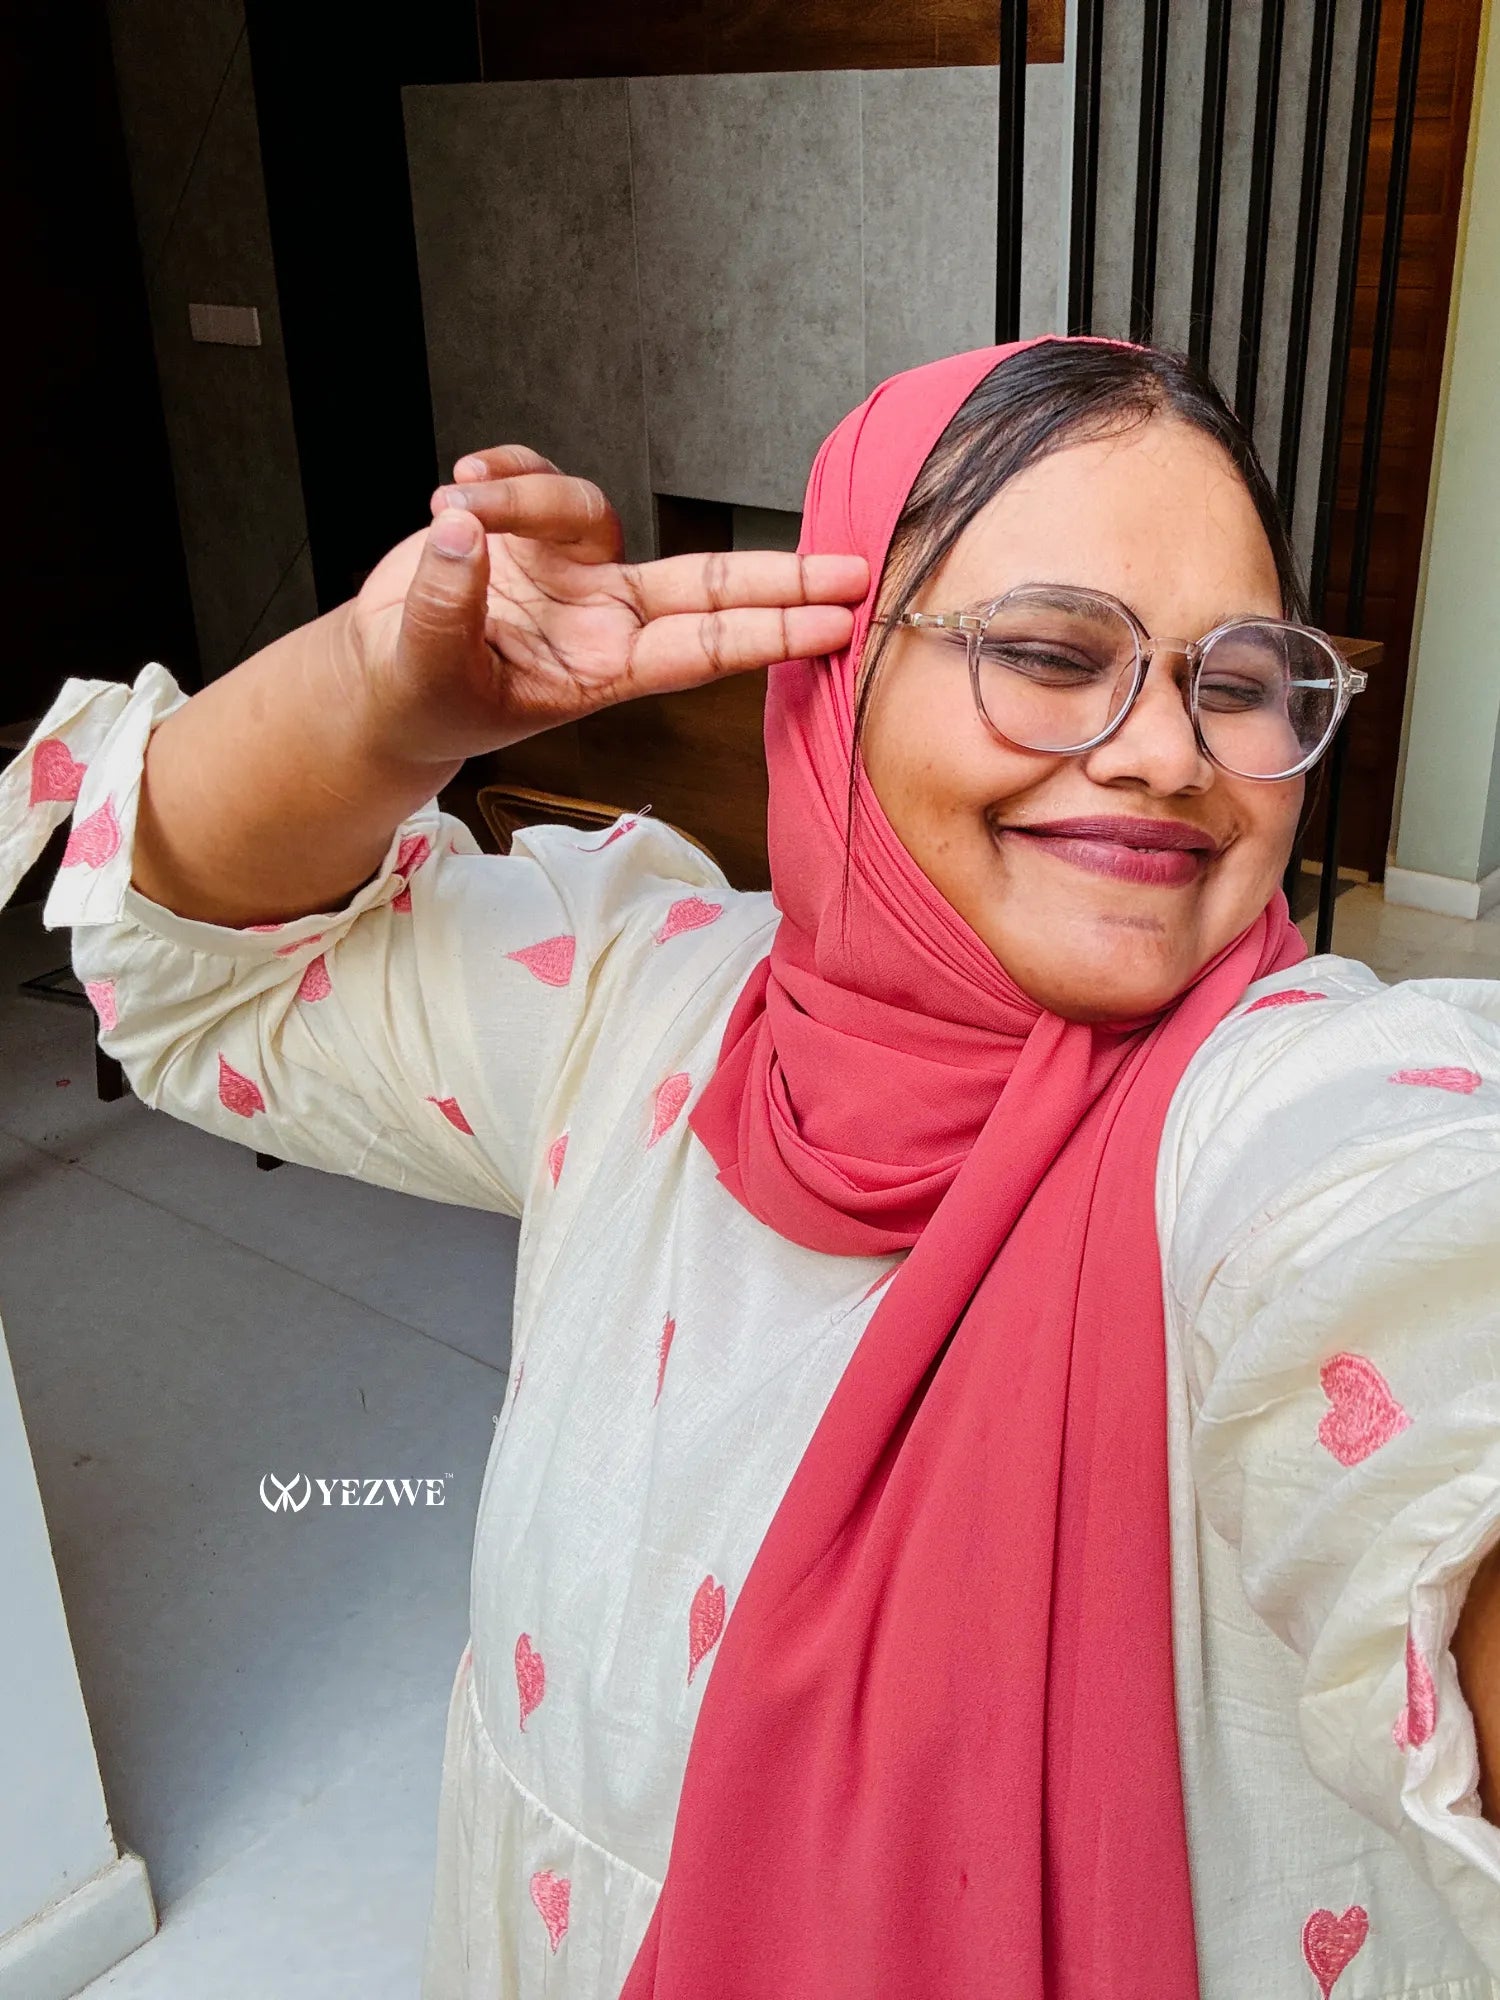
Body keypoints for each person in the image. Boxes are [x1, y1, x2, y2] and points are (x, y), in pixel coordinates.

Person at [3, 334, 1500, 2000]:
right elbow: (203, 966)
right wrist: (379, 705)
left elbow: (1429, 1286)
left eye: (1235, 682)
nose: (1166, 751)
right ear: (831, 681)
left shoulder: (1289, 1109)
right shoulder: (644, 1003)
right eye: (1053, 653)